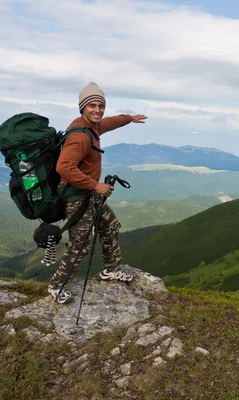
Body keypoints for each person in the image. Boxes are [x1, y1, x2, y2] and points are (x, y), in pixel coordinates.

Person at [48, 82, 147, 304]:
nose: (97, 110)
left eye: (101, 105)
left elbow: (107, 123)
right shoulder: (80, 136)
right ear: (82, 107)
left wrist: (128, 118)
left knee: (110, 226)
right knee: (81, 245)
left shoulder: (92, 127)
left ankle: (110, 269)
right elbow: (64, 167)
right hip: (76, 196)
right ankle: (56, 286)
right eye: (92, 105)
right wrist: (96, 186)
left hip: (87, 193)